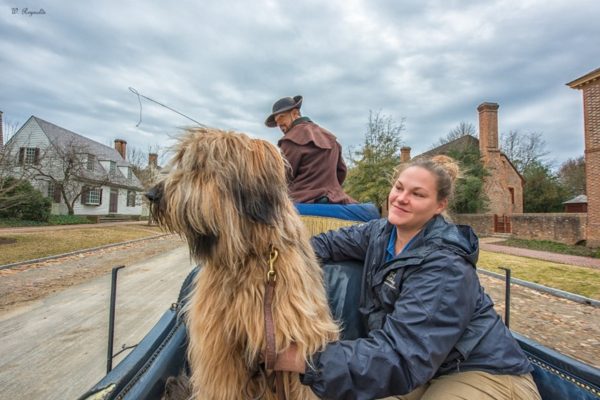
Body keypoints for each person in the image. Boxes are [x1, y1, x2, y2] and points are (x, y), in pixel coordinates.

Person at [273, 155, 541, 400]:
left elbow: (402, 355)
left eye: (417, 194)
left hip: (480, 370)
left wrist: (299, 358)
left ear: (439, 206)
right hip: (424, 369)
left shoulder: (445, 266)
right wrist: (275, 259)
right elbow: (324, 245)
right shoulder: (380, 233)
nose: (401, 198)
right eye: (399, 188)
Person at [265, 95, 356, 204]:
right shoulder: (332, 139)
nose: (279, 123)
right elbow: (341, 171)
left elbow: (282, 178)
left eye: (281, 117)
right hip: (336, 198)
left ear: (295, 113)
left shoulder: (290, 140)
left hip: (302, 200)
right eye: (276, 121)